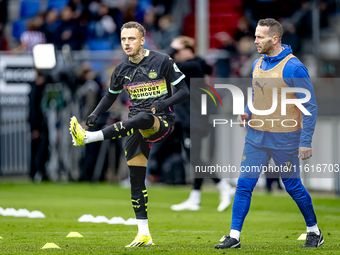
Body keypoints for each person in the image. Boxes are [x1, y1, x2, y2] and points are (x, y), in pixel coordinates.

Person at [70, 21, 189, 247]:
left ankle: (89, 137)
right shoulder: (121, 69)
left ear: (142, 40)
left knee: (143, 117)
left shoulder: (162, 60)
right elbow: (110, 96)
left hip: (160, 122)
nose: (127, 43)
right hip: (134, 126)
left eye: (132, 38)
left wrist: (163, 104)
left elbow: (184, 92)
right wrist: (95, 113)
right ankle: (143, 233)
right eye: (124, 39)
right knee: (136, 180)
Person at [215, 18, 322, 249]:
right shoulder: (258, 63)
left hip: (285, 138)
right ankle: (234, 236)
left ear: (274, 39)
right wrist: (246, 112)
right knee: (244, 185)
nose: (255, 41)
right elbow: (257, 95)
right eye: (255, 36)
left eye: (259, 37)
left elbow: (310, 106)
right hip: (255, 138)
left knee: (292, 186)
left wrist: (306, 141)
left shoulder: (294, 67)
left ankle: (314, 230)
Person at [166, 36, 235, 212]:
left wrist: (171, 49)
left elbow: (165, 65)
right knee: (193, 158)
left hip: (193, 120)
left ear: (186, 50)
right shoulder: (195, 65)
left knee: (195, 158)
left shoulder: (192, 66)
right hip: (189, 119)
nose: (176, 55)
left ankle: (223, 186)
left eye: (178, 52)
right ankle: (195, 198)